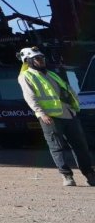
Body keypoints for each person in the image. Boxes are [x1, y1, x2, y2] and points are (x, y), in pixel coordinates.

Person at [16, 46, 94, 187]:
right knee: (57, 147)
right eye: (37, 59)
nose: (41, 61)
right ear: (28, 61)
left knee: (81, 146)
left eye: (42, 58)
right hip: (49, 117)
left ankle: (89, 174)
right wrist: (41, 113)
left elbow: (68, 90)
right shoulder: (26, 76)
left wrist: (74, 108)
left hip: (69, 114)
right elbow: (30, 97)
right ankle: (67, 176)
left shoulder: (52, 74)